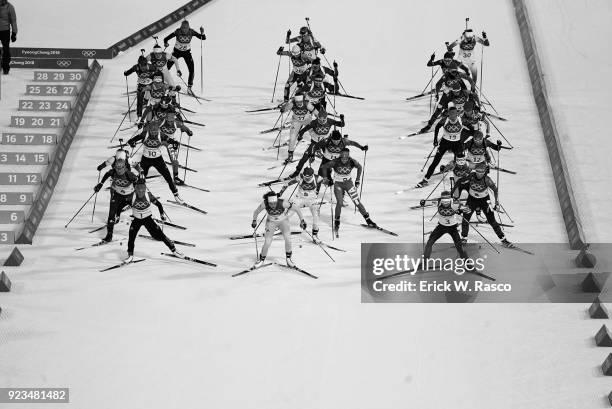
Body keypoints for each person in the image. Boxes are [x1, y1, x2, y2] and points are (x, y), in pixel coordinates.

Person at [319, 147, 376, 234]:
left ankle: (368, 220)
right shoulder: (335, 161)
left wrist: (357, 180)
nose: (344, 159)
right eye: (342, 157)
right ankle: (337, 220)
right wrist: (326, 178)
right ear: (340, 156)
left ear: (348, 156)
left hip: (349, 184)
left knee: (357, 202)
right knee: (340, 202)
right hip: (338, 184)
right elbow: (324, 167)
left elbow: (360, 167)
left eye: (346, 158)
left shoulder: (352, 161)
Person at [124, 178, 182, 263]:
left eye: (142, 188)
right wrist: (117, 214)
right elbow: (121, 204)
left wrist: (162, 214)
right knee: (131, 237)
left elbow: (159, 204)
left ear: (144, 187)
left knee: (161, 235)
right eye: (138, 188)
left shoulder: (148, 195)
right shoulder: (131, 196)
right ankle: (130, 255)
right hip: (136, 220)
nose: (140, 191)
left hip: (148, 219)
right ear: (136, 188)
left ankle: (174, 250)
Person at [251, 190, 307, 268]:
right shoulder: (265, 203)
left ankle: (288, 259)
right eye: (271, 204)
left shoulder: (283, 203)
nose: (273, 205)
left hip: (283, 221)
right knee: (267, 242)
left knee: (288, 239)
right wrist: (254, 220)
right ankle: (261, 260)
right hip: (271, 222)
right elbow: (256, 212)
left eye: (274, 203)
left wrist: (302, 220)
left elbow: (297, 208)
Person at [417, 105, 464, 188]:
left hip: (457, 143)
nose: (452, 116)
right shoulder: (445, 120)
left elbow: (471, 128)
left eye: (454, 114)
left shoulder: (461, 119)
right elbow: (437, 128)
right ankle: (425, 180)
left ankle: (461, 180)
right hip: (445, 143)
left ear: (457, 113)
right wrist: (435, 140)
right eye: (451, 114)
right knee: (435, 161)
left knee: (460, 162)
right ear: (448, 114)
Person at [94, 159, 138, 243]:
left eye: (120, 168)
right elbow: (107, 174)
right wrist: (100, 184)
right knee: (111, 214)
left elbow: (137, 181)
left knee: (139, 213)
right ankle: (109, 235)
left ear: (124, 167)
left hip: (129, 196)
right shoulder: (113, 172)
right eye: (117, 168)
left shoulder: (129, 174)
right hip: (117, 194)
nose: (118, 170)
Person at [279, 167, 321, 242]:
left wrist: (329, 182)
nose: (307, 179)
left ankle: (315, 235)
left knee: (316, 216)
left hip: (312, 199)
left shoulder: (317, 178)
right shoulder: (300, 177)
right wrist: (280, 193)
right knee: (290, 211)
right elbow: (287, 184)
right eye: (305, 177)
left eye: (309, 177)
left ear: (312, 175)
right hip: (300, 198)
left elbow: (326, 180)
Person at [423, 191, 467, 260]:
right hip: (441, 227)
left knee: (459, 246)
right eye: (443, 202)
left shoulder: (455, 203)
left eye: (447, 202)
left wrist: (460, 211)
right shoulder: (438, 201)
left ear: (450, 200)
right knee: (430, 242)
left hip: (453, 228)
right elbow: (428, 202)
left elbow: (468, 209)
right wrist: (423, 202)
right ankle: (424, 261)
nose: (445, 204)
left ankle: (467, 263)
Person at [164, 20, 206, 90]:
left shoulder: (191, 31)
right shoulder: (177, 31)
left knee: (192, 70)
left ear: (188, 27)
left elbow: (203, 38)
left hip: (187, 53)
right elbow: (166, 38)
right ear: (181, 27)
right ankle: (162, 82)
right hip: (176, 52)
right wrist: (165, 43)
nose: (184, 30)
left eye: (186, 28)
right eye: (183, 28)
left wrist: (202, 32)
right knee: (166, 68)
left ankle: (189, 87)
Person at [0, 0, 17, 74]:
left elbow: (13, 21)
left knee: (6, 50)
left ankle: (6, 67)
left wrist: (14, 33)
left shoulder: (10, 7)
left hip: (5, 31)